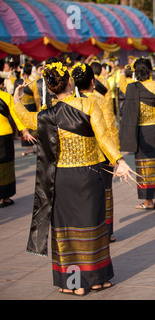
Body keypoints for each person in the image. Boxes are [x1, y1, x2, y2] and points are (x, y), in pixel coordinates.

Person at [14, 61, 133, 296]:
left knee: (68, 232)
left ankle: (74, 283)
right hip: (90, 175)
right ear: (70, 82)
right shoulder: (90, 105)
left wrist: (15, 98)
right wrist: (119, 161)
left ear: (50, 89)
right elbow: (104, 138)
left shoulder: (47, 115)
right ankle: (98, 279)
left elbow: (25, 118)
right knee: (94, 228)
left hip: (63, 178)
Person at [71, 63, 120, 242]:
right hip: (101, 155)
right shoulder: (101, 102)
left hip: (76, 157)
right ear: (93, 82)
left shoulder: (67, 103)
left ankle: (83, 232)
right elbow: (110, 131)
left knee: (82, 195)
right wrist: (116, 157)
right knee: (105, 193)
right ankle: (105, 233)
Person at [120, 58, 155, 209]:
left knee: (143, 166)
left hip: (141, 131)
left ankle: (148, 201)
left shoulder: (132, 87)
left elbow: (121, 84)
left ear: (135, 72)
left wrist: (125, 72)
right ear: (150, 71)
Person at [0, 79, 32, 208]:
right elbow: (16, 115)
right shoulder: (6, 96)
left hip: (5, 134)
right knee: (6, 166)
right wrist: (24, 131)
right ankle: (5, 197)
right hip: (5, 134)